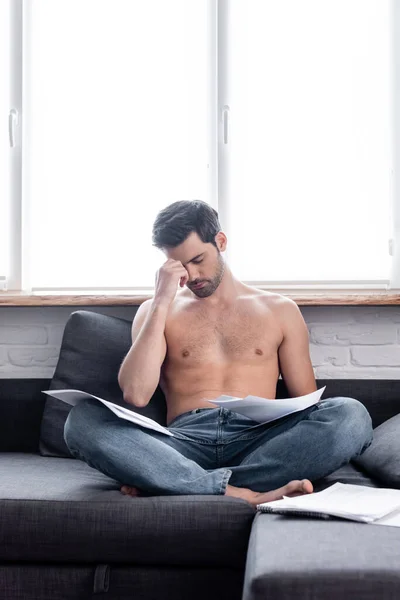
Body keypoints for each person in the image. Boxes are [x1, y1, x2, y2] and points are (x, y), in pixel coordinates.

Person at [64, 200, 373, 507]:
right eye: (179, 265)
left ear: (221, 242)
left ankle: (177, 481)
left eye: (198, 259)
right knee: (82, 420)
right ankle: (234, 490)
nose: (192, 274)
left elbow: (307, 404)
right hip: (183, 442)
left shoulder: (280, 310)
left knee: (351, 415)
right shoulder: (157, 311)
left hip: (259, 440)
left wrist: (156, 474)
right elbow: (136, 394)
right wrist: (161, 299)